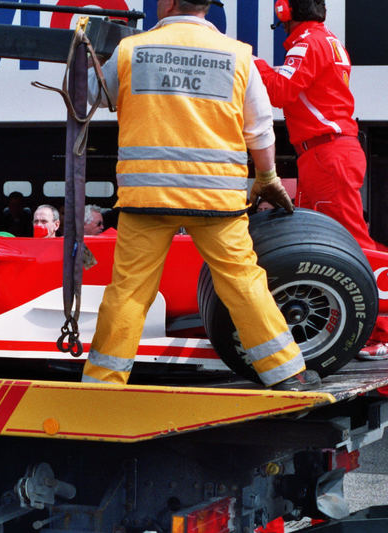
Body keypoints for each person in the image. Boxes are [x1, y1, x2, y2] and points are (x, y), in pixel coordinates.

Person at [82, 0, 319, 391]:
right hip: (216, 199)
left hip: (148, 197)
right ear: (206, 7)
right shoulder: (239, 55)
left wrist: (87, 43)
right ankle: (287, 373)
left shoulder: (131, 51)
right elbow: (259, 130)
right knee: (243, 282)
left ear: (169, 3)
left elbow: (90, 96)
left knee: (129, 290)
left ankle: (103, 383)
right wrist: (267, 176)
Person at [254, 3, 388, 359]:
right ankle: (350, 328)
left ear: (284, 9)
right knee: (319, 246)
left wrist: (248, 60)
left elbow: (280, 92)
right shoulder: (327, 41)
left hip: (326, 154)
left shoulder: (307, 42)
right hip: (325, 153)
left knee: (352, 245)